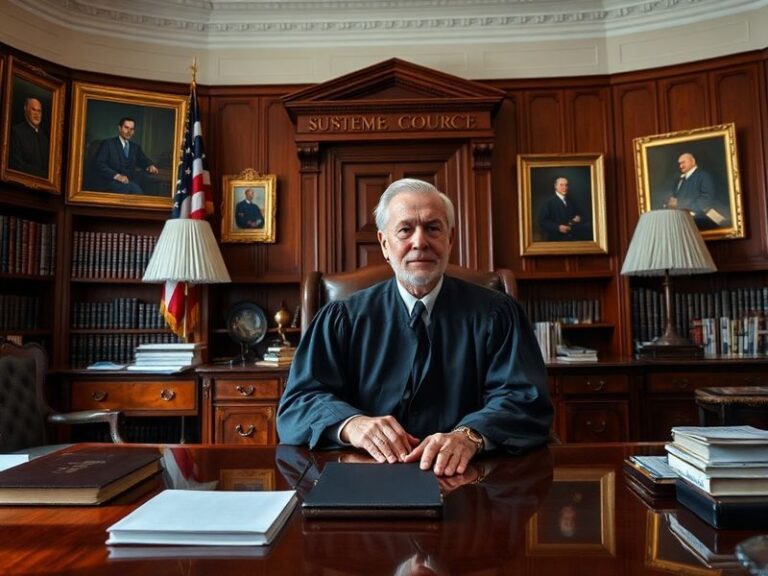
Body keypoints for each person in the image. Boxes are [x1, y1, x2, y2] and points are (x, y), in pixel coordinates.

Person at [277, 178, 553, 477]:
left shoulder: (497, 314)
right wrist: (351, 425)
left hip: (469, 479)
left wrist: (470, 436)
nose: (420, 242)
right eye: (405, 229)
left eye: (433, 228)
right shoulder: (342, 317)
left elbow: (524, 398)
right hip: (366, 479)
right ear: (384, 243)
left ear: (450, 239)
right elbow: (298, 403)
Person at [92, 117, 160, 195]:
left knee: (150, 186)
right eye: (126, 128)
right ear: (120, 128)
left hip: (129, 181)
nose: (129, 132)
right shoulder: (108, 144)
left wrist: (149, 165)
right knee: (135, 190)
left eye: (132, 129)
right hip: (110, 182)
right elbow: (99, 164)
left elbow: (143, 160)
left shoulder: (135, 147)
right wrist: (117, 176)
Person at [664, 152, 721, 229]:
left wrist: (679, 204)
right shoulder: (679, 180)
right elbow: (674, 198)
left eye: (683, 162)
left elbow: (706, 200)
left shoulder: (703, 176)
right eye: (679, 164)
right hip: (682, 220)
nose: (681, 166)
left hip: (700, 220)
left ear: (693, 161)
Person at [537, 177, 589, 241]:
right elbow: (542, 221)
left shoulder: (571, 201)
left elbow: (583, 215)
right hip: (556, 239)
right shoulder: (548, 202)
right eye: (561, 185)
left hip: (573, 238)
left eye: (566, 185)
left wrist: (579, 218)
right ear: (555, 186)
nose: (565, 188)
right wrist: (558, 227)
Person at [9, 97, 49, 178]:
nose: (36, 114)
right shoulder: (16, 132)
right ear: (26, 110)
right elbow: (17, 165)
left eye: (39, 111)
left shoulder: (45, 138)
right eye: (33, 110)